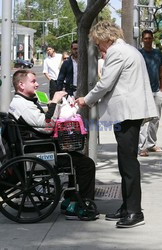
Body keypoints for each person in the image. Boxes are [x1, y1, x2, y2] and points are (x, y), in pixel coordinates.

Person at [75, 20, 157, 228]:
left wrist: (86, 99)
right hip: (130, 112)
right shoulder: (127, 49)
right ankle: (127, 205)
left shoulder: (116, 52)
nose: (98, 47)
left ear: (105, 38)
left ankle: (134, 212)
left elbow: (105, 83)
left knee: (128, 164)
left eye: (98, 43)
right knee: (125, 161)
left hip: (128, 113)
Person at [9, 69, 98, 221]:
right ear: (21, 85)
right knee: (86, 164)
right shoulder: (22, 104)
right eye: (33, 81)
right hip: (40, 150)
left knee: (77, 158)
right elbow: (47, 125)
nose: (37, 84)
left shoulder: (23, 101)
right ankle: (81, 205)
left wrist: (51, 106)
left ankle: (70, 200)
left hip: (41, 146)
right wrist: (55, 102)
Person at [138, 30, 162, 157]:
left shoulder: (158, 54)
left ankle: (151, 144)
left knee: (155, 119)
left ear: (152, 39)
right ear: (142, 40)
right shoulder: (139, 54)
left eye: (149, 38)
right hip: (142, 92)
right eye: (145, 38)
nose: (148, 40)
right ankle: (142, 147)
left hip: (156, 91)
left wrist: (161, 88)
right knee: (144, 120)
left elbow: (161, 71)